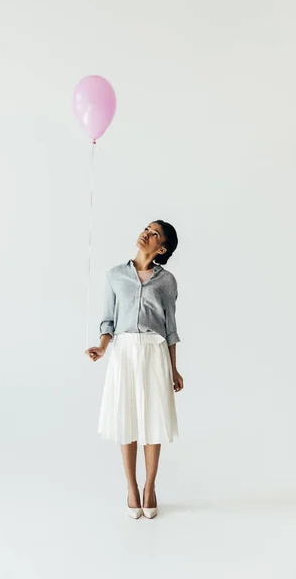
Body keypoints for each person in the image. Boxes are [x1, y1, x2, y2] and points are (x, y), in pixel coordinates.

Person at [85, 220, 184, 519]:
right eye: (147, 228)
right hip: (124, 353)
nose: (146, 233)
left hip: (154, 353)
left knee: (152, 421)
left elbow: (170, 329)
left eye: (155, 234)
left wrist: (174, 368)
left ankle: (150, 487)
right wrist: (102, 348)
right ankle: (131, 487)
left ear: (162, 248)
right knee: (125, 420)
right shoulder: (115, 276)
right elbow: (108, 321)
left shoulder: (167, 282)